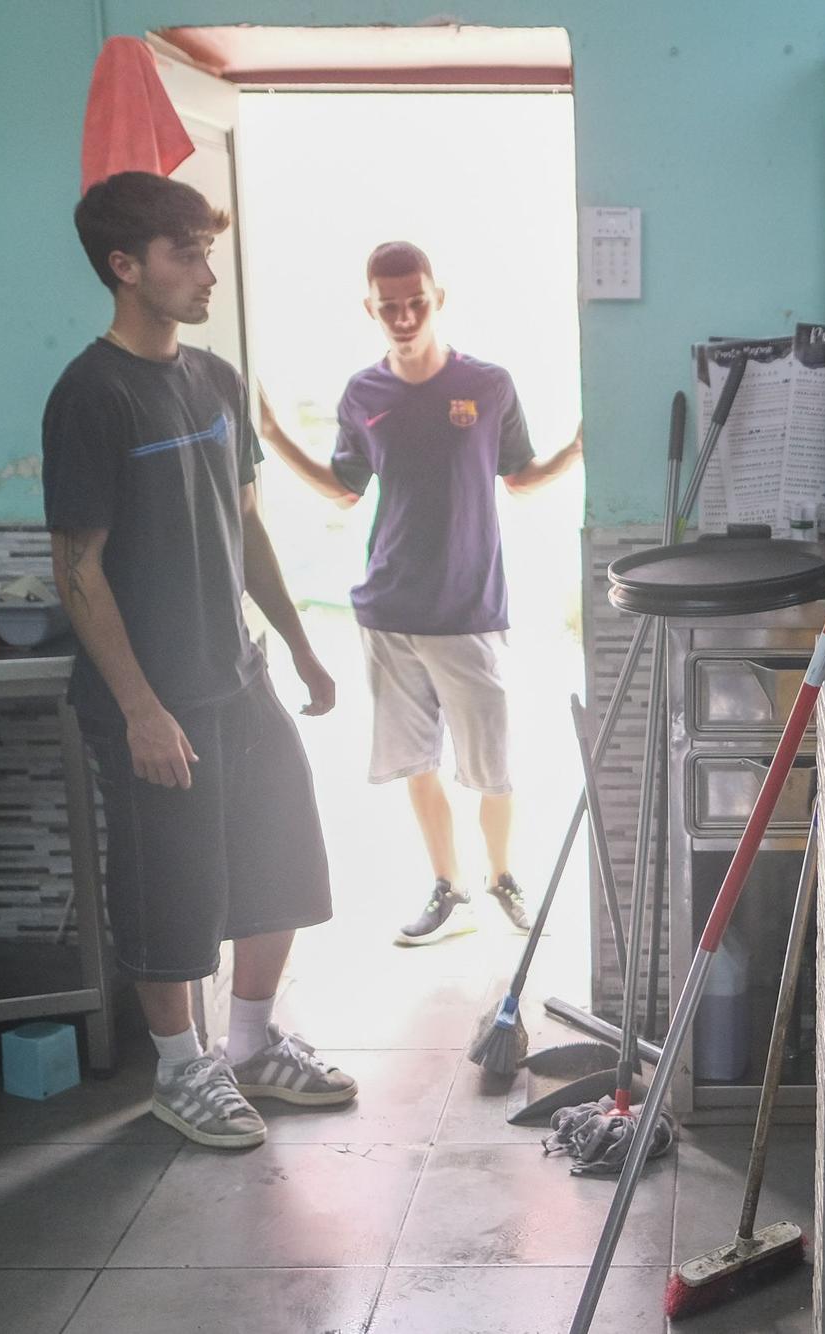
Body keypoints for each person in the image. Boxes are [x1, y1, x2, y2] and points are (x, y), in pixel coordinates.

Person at [43, 172, 356, 1151]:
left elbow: (246, 525)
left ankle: (256, 1041)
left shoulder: (214, 378)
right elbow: (78, 566)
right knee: (167, 883)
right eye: (187, 254)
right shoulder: (89, 395)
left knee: (281, 854)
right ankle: (181, 1068)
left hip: (239, 670)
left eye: (208, 250)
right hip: (150, 694)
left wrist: (298, 644)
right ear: (125, 266)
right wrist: (138, 706)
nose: (207, 271)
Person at [256, 241, 581, 946]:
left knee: (492, 767)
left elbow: (521, 476)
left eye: (416, 303)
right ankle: (449, 888)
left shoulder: (488, 385)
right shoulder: (363, 396)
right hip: (389, 610)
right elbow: (344, 492)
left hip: (469, 610)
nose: (404, 317)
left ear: (439, 299)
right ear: (370, 308)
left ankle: (502, 879)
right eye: (390, 307)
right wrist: (274, 436)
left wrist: (581, 446)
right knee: (417, 762)